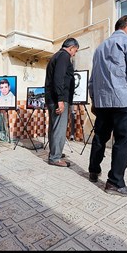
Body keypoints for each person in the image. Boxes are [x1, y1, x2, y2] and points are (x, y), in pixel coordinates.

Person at [88, 15, 127, 197]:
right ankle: (115, 183)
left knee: (100, 136)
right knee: (124, 141)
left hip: (102, 103)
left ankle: (94, 171)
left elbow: (93, 81)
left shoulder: (99, 48)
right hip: (124, 102)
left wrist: (94, 101)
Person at [45, 37, 79, 167]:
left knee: (54, 127)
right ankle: (55, 157)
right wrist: (60, 99)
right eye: (75, 50)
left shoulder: (56, 56)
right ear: (71, 47)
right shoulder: (64, 56)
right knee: (59, 128)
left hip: (52, 98)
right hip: (59, 99)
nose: (75, 53)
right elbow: (59, 78)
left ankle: (54, 153)